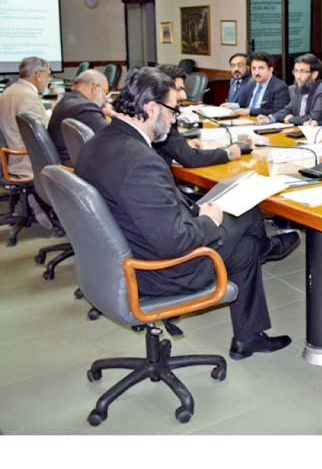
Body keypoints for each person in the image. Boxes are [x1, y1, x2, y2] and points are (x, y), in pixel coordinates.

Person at [75, 67, 299, 360]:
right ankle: (266, 247)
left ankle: (248, 337)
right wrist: (207, 220)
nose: (174, 118)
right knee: (245, 212)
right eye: (172, 110)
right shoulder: (141, 161)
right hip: (161, 271)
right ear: (151, 108)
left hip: (117, 259)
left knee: (244, 249)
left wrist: (196, 212)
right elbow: (176, 242)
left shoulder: (96, 144)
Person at [153, 64, 241, 167]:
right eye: (179, 89)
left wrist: (183, 145)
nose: (184, 96)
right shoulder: (158, 116)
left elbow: (170, 143)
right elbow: (190, 159)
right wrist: (227, 153)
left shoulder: (163, 111)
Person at [47, 69, 112, 165]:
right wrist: (113, 114)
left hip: (64, 162)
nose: (105, 98)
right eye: (105, 92)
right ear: (94, 88)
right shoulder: (84, 108)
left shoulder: (66, 101)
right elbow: (112, 137)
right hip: (75, 166)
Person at [0, 56, 51, 179]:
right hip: (26, 162)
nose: (49, 80)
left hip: (11, 157)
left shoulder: (10, 90)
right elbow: (39, 136)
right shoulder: (28, 97)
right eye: (49, 75)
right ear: (38, 75)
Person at [265, 53, 322, 125]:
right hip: (299, 130)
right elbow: (288, 110)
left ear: (314, 74)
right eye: (296, 71)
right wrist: (270, 118)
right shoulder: (300, 87)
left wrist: (291, 119)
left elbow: (315, 118)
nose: (298, 76)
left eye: (302, 71)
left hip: (318, 133)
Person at [233, 52, 290, 118]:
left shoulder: (280, 87)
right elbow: (245, 104)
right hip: (246, 120)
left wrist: (250, 111)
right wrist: (234, 106)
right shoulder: (251, 83)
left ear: (271, 69)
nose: (257, 72)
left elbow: (278, 111)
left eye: (261, 68)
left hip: (264, 122)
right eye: (254, 68)